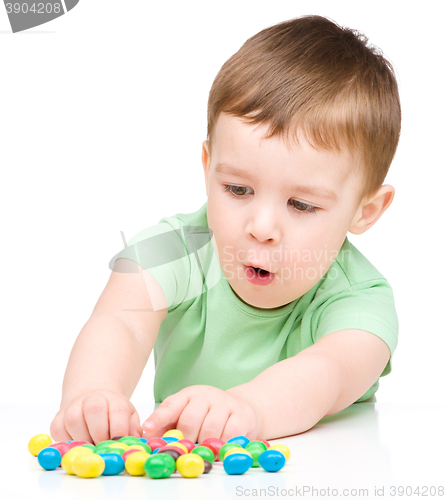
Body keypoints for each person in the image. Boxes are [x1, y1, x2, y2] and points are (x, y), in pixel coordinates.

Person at [50, 15, 400, 445]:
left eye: (302, 204)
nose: (262, 227)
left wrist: (248, 409)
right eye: (238, 189)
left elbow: (330, 371)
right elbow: (119, 322)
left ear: (366, 210)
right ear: (208, 167)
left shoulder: (362, 300)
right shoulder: (175, 249)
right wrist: (93, 395)